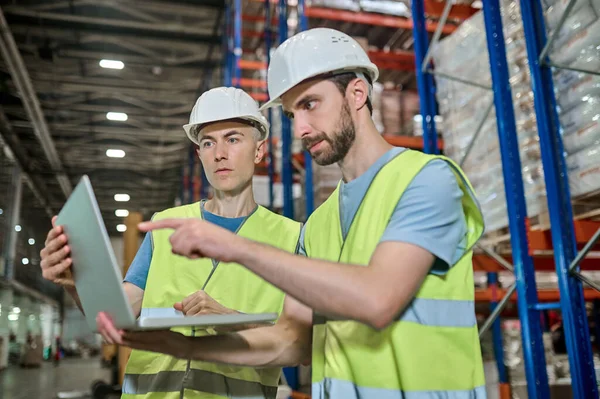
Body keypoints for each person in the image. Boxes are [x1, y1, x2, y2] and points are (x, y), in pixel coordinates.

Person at [113, 28, 487, 399]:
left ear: (357, 93)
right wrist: (182, 347)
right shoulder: (319, 224)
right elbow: (291, 341)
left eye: (310, 104)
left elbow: (378, 298)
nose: (302, 129)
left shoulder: (427, 180)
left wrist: (236, 248)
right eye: (293, 115)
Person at [39, 87, 304, 399]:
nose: (219, 153)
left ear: (259, 151)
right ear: (199, 154)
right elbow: (112, 315)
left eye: (233, 139)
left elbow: (298, 344)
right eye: (208, 142)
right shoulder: (164, 226)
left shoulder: (292, 238)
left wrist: (229, 321)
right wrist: (76, 281)